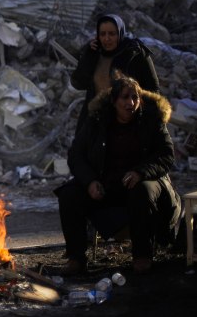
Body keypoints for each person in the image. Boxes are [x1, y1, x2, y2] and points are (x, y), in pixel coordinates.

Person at [56, 75, 181, 275]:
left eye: (135, 97)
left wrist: (141, 172)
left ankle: (142, 255)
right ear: (114, 101)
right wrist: (90, 181)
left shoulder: (151, 120)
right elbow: (76, 155)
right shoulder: (97, 122)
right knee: (69, 194)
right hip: (106, 183)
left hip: (144, 181)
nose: (130, 103)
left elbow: (166, 156)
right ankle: (76, 258)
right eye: (125, 97)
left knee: (142, 191)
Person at [71, 14, 159, 132]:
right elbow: (78, 83)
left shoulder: (135, 53)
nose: (107, 38)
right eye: (103, 34)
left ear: (120, 33)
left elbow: (153, 90)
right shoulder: (96, 53)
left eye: (112, 34)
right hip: (95, 121)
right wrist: (88, 55)